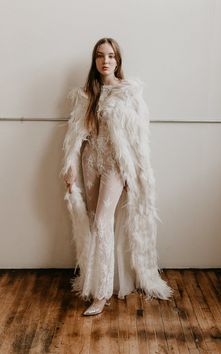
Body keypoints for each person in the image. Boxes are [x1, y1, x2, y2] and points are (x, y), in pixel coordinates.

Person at [62, 37, 173, 316]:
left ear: (118, 60)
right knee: (91, 221)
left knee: (102, 222)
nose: (105, 61)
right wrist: (71, 165)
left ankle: (100, 296)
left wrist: (133, 171)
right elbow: (77, 135)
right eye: (100, 56)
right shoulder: (87, 93)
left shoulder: (129, 93)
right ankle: (96, 281)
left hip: (114, 164)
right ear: (95, 60)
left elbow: (138, 138)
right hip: (91, 161)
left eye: (110, 56)